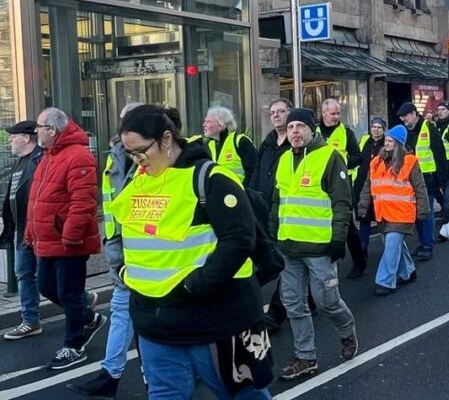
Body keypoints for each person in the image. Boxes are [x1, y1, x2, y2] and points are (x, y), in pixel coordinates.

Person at [108, 104, 273, 398]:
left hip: (211, 320)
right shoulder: (139, 181)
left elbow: (238, 240)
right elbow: (128, 234)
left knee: (242, 395)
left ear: (167, 139)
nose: (137, 161)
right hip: (155, 323)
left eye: (141, 151)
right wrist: (124, 270)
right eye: (130, 153)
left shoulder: (211, 179)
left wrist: (194, 286)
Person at [271, 108, 358, 381]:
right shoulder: (284, 159)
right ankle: (305, 357)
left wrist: (338, 239)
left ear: (312, 129)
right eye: (291, 127)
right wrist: (274, 234)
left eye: (300, 126)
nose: (295, 131)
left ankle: (347, 330)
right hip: (289, 248)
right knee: (293, 305)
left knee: (327, 301)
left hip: (320, 248)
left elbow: (342, 203)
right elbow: (278, 202)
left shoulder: (329, 158)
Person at [67, 103, 143, 397]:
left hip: (152, 254)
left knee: (154, 320)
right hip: (121, 253)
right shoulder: (115, 156)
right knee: (122, 312)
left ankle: (158, 375)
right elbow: (113, 208)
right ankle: (110, 375)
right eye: (125, 121)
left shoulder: (158, 157)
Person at [25, 108, 106, 370]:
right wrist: (31, 232)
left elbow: (83, 201)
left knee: (69, 293)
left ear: (52, 130)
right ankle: (88, 317)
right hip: (48, 238)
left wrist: (71, 234)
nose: (35, 131)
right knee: (47, 287)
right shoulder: (49, 155)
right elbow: (37, 199)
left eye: (39, 126)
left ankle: (74, 345)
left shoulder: (78, 156)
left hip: (68, 241)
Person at [252, 99, 306, 333]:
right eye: (272, 112)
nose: (276, 116)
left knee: (288, 263)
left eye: (281, 112)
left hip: (291, 213)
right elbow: (257, 174)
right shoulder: (267, 144)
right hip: (266, 212)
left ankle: (276, 311)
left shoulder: (297, 146)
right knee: (270, 260)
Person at [358, 125, 428, 296]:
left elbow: (420, 187)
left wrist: (423, 210)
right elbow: (368, 186)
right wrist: (363, 205)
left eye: (390, 141)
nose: (386, 143)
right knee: (395, 246)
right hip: (383, 214)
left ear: (399, 144)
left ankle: (385, 281)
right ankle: (408, 271)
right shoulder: (376, 162)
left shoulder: (410, 162)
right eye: (386, 140)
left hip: (402, 214)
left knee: (391, 247)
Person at [1, 121, 44, 340]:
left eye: (13, 137)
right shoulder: (20, 162)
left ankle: (82, 305)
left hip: (37, 230)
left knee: (49, 279)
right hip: (21, 229)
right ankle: (30, 320)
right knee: (24, 274)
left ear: (26, 138)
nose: (10, 140)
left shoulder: (40, 160)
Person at [316, 98, 367, 278]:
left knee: (347, 225)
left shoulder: (346, 132)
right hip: (318, 186)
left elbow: (358, 157)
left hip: (342, 185)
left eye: (338, 113)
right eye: (333, 113)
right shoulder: (314, 132)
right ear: (323, 114)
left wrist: (339, 163)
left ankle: (359, 261)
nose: (336, 117)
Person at [397, 102, 446, 261]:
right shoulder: (407, 131)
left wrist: (440, 179)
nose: (403, 119)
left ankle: (428, 245)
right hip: (411, 178)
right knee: (417, 213)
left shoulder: (428, 127)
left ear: (413, 114)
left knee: (427, 212)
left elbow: (439, 153)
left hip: (428, 177)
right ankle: (423, 242)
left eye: (405, 116)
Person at [353, 118, 387, 259]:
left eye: (379, 127)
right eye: (374, 126)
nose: (376, 129)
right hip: (362, 185)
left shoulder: (387, 143)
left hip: (381, 187)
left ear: (384, 130)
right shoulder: (364, 140)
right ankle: (363, 247)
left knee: (382, 218)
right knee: (363, 216)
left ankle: (389, 248)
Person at [203, 106, 258, 185]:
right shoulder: (209, 145)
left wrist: (245, 192)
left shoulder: (240, 141)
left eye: (208, 121)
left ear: (221, 125)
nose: (204, 124)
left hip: (240, 193)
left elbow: (254, 172)